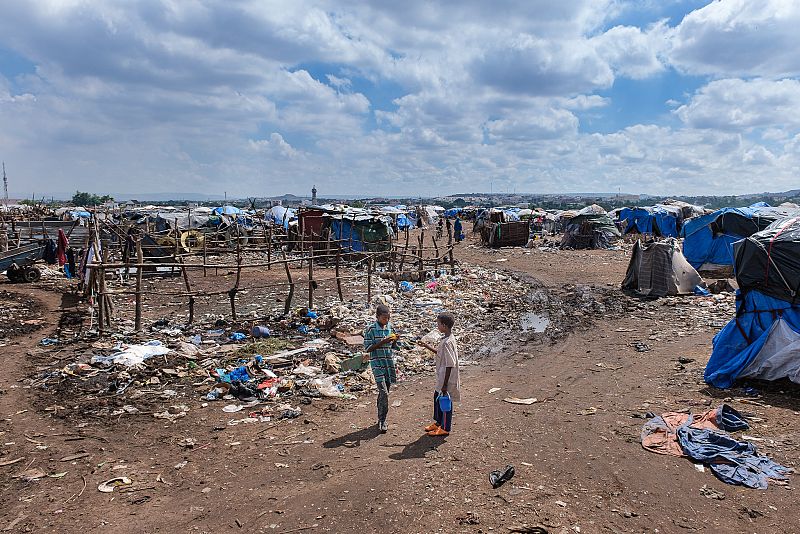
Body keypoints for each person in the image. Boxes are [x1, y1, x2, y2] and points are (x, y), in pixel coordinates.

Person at [418, 312, 460, 436]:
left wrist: (445, 384)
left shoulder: (447, 342)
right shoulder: (447, 339)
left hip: (447, 378)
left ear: (444, 325)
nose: (437, 326)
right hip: (442, 376)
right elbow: (441, 355)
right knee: (437, 397)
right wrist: (426, 346)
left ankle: (445, 427)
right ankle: (438, 422)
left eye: (438, 323)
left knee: (445, 401)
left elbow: (450, 364)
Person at [363, 304, 399, 433]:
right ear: (377, 317)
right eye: (384, 318)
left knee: (385, 392)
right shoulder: (371, 329)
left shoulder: (390, 327)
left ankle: (381, 417)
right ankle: (382, 420)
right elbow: (368, 349)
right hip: (376, 362)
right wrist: (383, 341)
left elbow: (394, 347)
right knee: (383, 391)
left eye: (388, 318)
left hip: (388, 362)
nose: (387, 320)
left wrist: (395, 340)